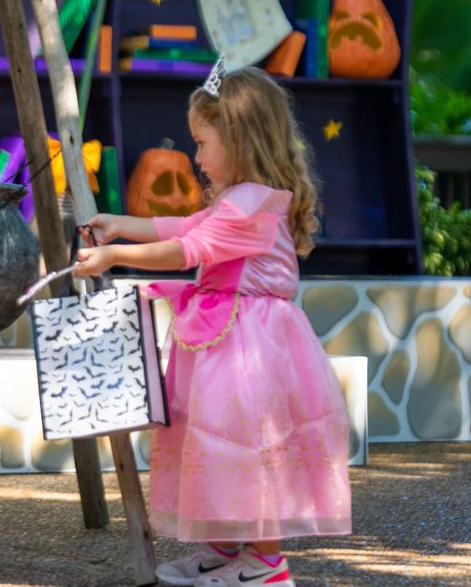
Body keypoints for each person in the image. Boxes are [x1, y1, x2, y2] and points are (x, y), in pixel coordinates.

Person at [74, 63, 352, 587]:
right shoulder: (238, 198)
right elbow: (185, 225)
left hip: (251, 349)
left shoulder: (251, 205)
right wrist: (121, 225)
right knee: (213, 440)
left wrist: (114, 256)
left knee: (250, 445)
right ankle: (229, 548)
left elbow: (188, 248)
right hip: (226, 335)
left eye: (202, 144)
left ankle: (265, 563)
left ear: (241, 138)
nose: (196, 158)